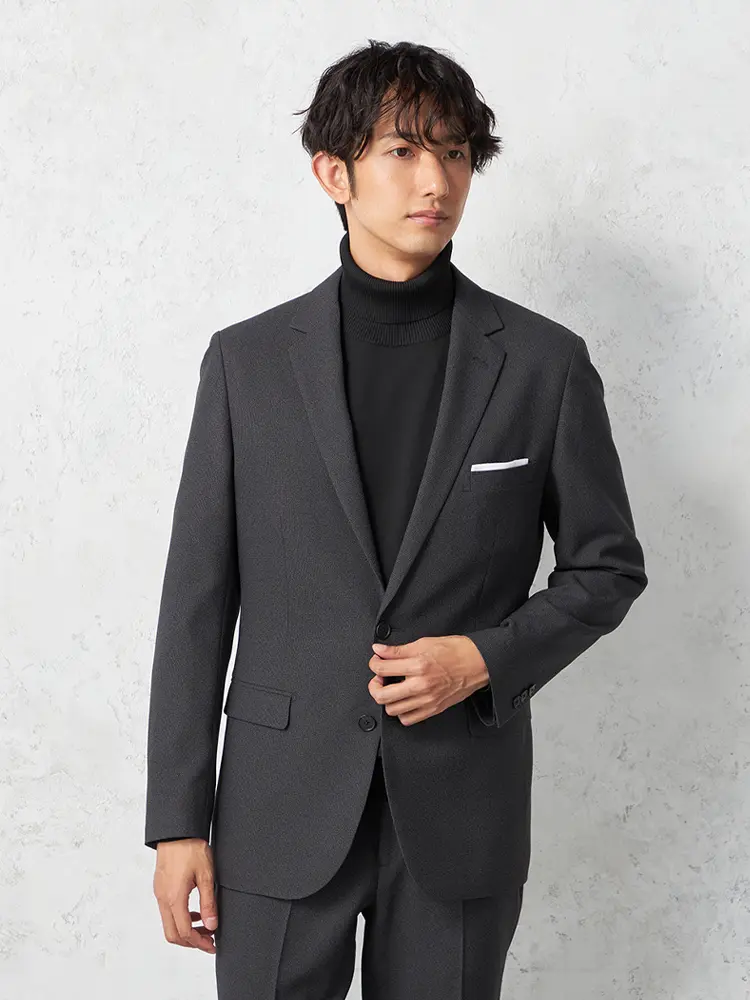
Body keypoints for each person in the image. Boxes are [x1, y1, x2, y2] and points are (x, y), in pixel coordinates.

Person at [145, 39, 648, 999]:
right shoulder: (247, 364)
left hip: (461, 811)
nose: (436, 180)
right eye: (404, 151)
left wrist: (484, 658)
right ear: (333, 174)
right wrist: (177, 823)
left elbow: (607, 567)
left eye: (455, 153)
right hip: (277, 808)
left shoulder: (542, 363)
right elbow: (196, 601)